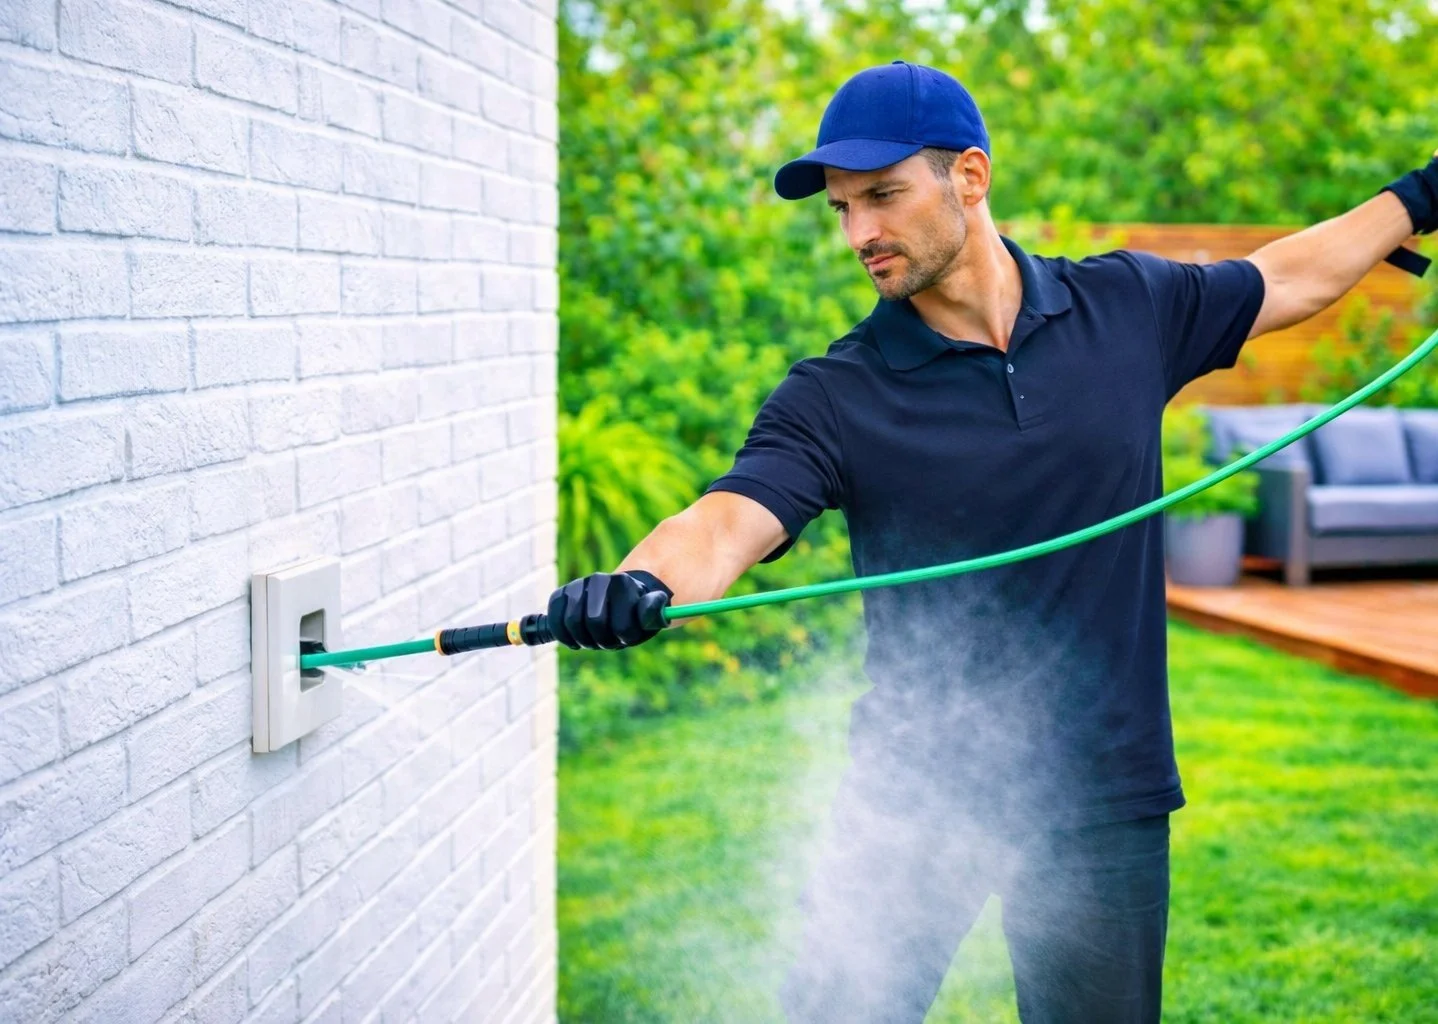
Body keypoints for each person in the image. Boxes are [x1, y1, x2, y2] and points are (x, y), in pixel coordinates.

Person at [544, 61, 1438, 1024]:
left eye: (881, 196)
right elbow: (726, 520)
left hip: (1105, 792)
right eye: (842, 209)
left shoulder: (1126, 309)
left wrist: (1423, 196)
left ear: (969, 178)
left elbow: (1294, 275)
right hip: (915, 793)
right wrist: (641, 578)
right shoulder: (837, 394)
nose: (859, 234)